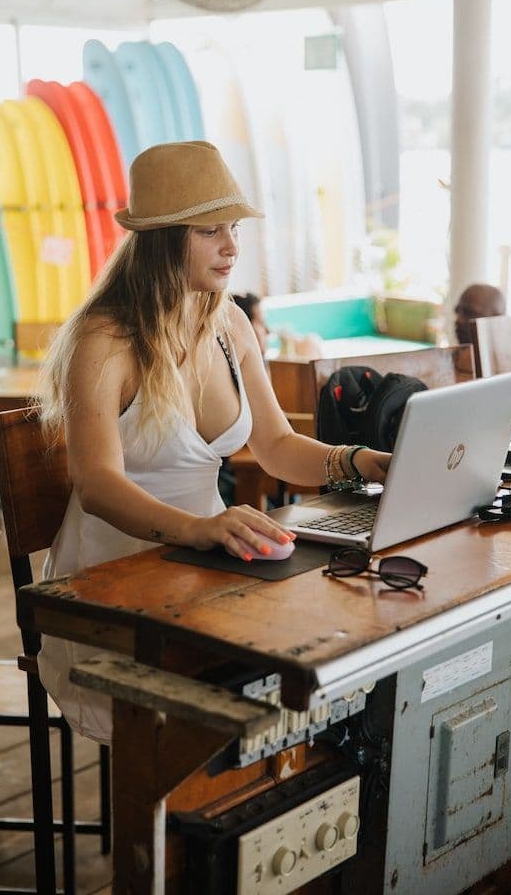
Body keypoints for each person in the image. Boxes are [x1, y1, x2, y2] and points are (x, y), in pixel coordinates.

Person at [36, 140, 391, 743]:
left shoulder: (228, 323)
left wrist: (360, 462)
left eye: (234, 228)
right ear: (161, 239)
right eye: (210, 231)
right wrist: (198, 528)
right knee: (248, 699)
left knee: (320, 658)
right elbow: (96, 485)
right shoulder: (104, 339)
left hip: (207, 569)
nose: (231, 246)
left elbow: (276, 445)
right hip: (110, 586)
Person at [232, 291, 270, 357]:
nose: (262, 312)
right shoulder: (254, 329)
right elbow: (262, 350)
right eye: (259, 309)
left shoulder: (258, 327)